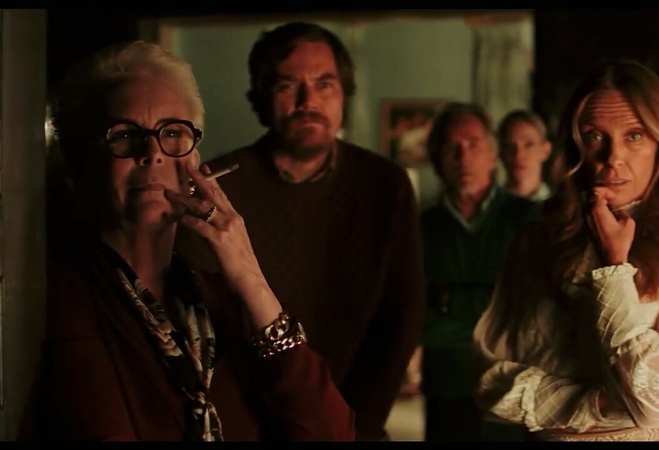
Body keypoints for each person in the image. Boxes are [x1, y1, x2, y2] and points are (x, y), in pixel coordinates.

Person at [18, 40, 355, 441]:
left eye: (173, 132)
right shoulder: (59, 297)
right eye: (124, 135)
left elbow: (332, 434)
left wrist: (250, 278)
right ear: (80, 161)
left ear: (195, 160)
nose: (153, 153)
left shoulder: (220, 298)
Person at [174, 22, 425, 441]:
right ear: (261, 97)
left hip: (355, 421)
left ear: (344, 94)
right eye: (289, 85)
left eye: (324, 84)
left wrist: (358, 428)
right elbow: (201, 326)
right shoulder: (219, 188)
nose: (309, 102)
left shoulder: (385, 184)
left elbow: (402, 316)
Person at [472, 59, 659, 441]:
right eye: (595, 136)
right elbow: (489, 384)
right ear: (574, 145)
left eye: (634, 136)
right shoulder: (536, 240)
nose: (613, 157)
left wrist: (615, 267)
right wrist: (601, 402)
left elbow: (656, 403)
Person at [417, 102, 540, 441]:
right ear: (437, 158)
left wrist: (449, 301)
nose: (464, 157)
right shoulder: (420, 228)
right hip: (446, 389)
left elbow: (533, 312)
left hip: (515, 387)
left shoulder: (528, 218)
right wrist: (496, 307)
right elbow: (416, 319)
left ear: (493, 153)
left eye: (474, 144)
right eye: (452, 147)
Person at [496, 109, 554, 202]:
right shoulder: (488, 207)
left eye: (528, 145)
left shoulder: (561, 207)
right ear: (501, 152)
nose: (518, 154)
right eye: (510, 146)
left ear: (545, 151)